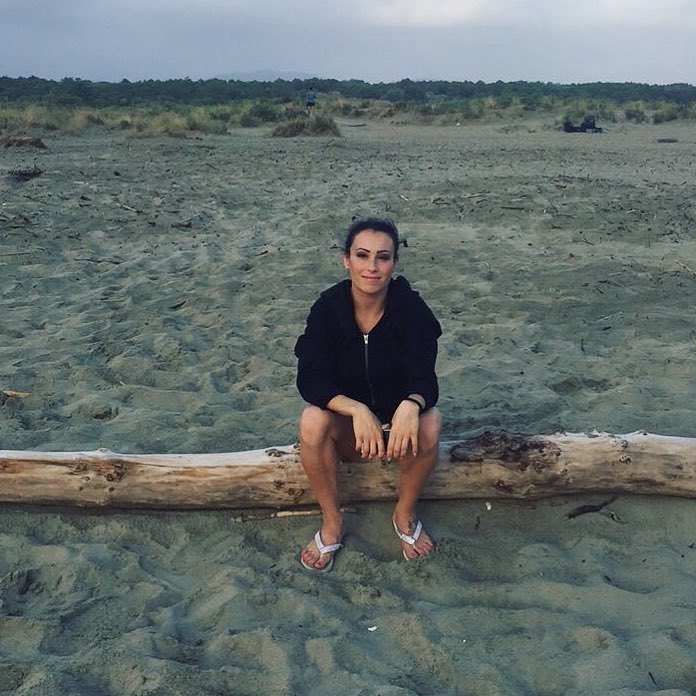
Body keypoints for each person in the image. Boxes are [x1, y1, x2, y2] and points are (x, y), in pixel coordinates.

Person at [294, 218, 442, 572]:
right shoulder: (328, 308)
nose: (372, 267)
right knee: (312, 420)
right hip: (351, 434)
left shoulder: (411, 309)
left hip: (400, 438)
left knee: (432, 421)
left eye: (383, 257)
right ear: (347, 260)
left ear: (394, 263)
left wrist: (411, 404)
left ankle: (404, 515)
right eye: (362, 255)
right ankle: (332, 524)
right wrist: (356, 410)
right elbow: (310, 378)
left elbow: (425, 376)